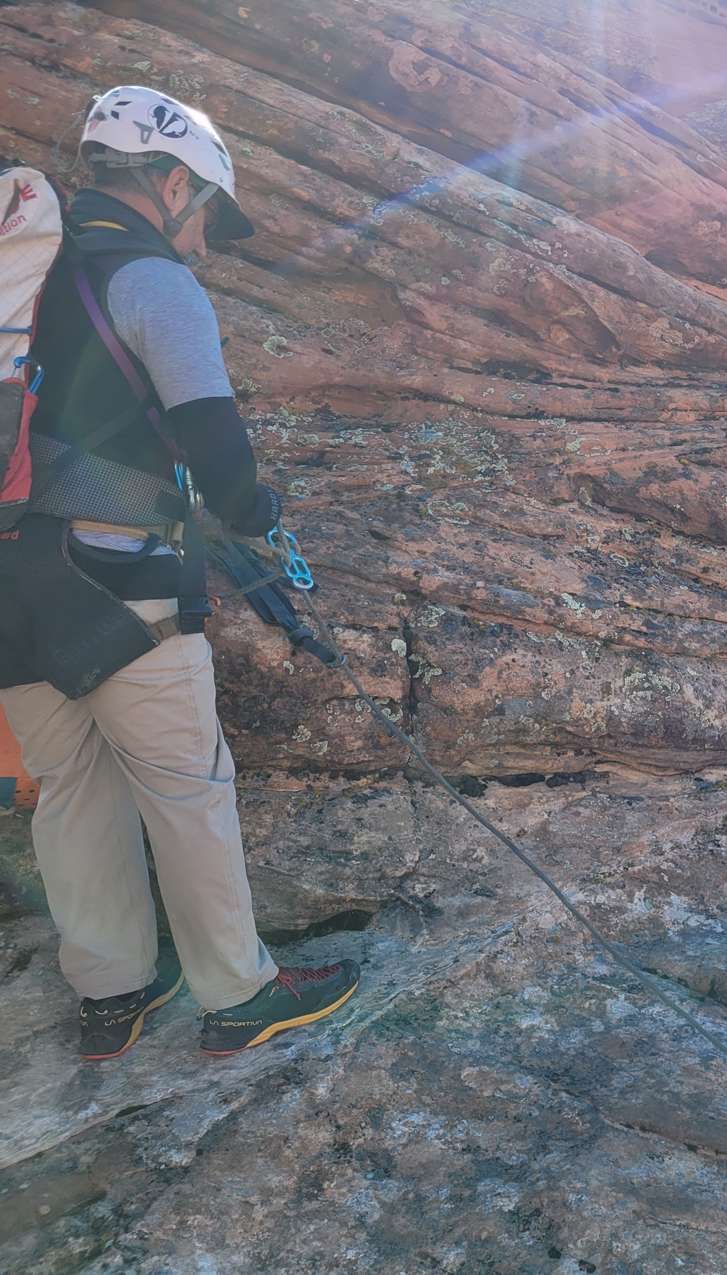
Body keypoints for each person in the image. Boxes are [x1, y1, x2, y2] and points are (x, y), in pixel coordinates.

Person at [0, 86, 357, 1061]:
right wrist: (255, 513)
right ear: (169, 184)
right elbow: (215, 445)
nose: (202, 242)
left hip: (9, 588)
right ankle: (238, 993)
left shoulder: (23, 276)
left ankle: (110, 993)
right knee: (187, 788)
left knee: (71, 786)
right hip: (119, 583)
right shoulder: (151, 280)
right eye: (204, 215)